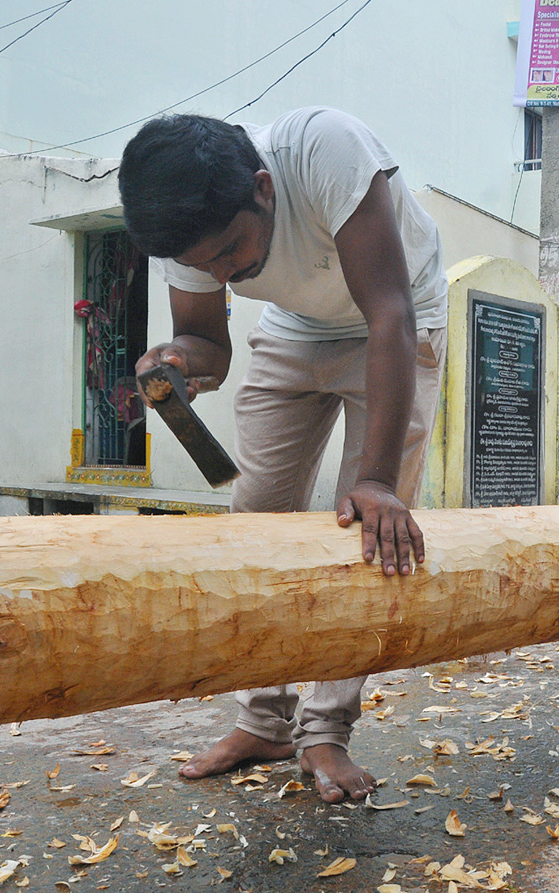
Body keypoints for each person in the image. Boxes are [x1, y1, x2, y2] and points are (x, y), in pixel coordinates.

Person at [118, 107, 448, 803]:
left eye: (232, 249)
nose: (225, 269)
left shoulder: (329, 150)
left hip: (397, 319)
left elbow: (388, 311)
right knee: (256, 520)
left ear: (264, 189)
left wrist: (378, 482)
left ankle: (325, 729)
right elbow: (212, 344)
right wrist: (181, 359)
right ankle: (264, 720)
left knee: (371, 533)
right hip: (295, 332)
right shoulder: (189, 233)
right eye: (206, 263)